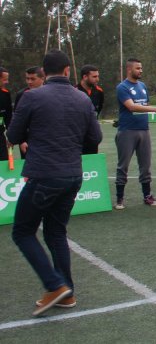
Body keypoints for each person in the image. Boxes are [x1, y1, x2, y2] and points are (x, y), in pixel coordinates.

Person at [7, 50, 102, 315]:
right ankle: (66, 293)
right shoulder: (82, 99)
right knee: (55, 232)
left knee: (23, 231)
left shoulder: (31, 97)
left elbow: (13, 134)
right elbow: (94, 137)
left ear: (43, 73)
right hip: (72, 175)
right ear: (68, 71)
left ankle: (55, 285)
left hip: (44, 174)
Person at [115, 58, 156, 209]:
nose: (141, 71)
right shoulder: (122, 87)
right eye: (138, 68)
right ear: (129, 70)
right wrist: (155, 109)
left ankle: (147, 196)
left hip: (144, 130)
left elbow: (142, 105)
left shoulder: (142, 86)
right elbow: (131, 107)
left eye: (141, 68)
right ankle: (120, 199)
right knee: (123, 165)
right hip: (127, 131)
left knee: (145, 166)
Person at [13, 66, 45, 159]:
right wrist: (22, 141)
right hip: (28, 141)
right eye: (27, 79)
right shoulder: (21, 94)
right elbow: (17, 120)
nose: (29, 82)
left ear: (42, 78)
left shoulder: (51, 93)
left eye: (33, 79)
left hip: (48, 139)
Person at [76, 65, 104, 154]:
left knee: (91, 164)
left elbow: (98, 109)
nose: (97, 79)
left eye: (98, 76)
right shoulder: (74, 91)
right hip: (77, 135)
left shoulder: (99, 92)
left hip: (92, 134)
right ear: (85, 77)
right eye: (94, 77)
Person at [0, 66, 12, 162]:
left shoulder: (5, 94)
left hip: (0, 136)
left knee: (4, 161)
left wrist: (11, 136)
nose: (7, 82)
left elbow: (9, 118)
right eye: (5, 80)